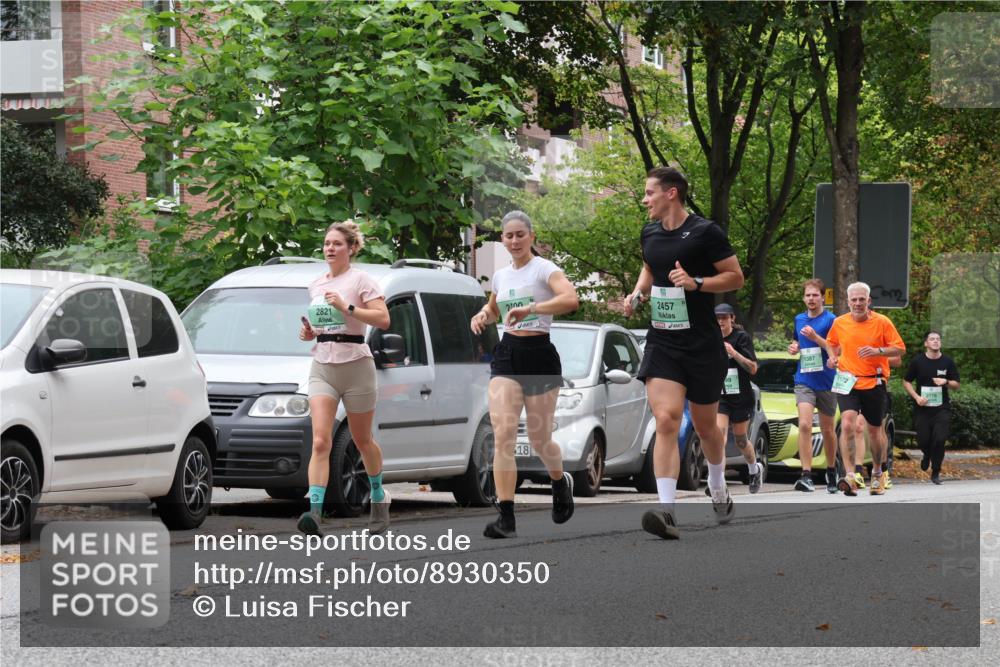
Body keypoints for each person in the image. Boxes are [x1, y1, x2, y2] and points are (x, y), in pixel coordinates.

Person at [624, 167, 745, 539]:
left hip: (702, 344)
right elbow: (649, 267)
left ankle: (718, 485)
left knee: (707, 427)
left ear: (671, 193)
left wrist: (697, 283)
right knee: (666, 419)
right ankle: (667, 511)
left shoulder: (705, 232)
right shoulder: (649, 232)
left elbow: (735, 277)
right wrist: (638, 293)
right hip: (663, 341)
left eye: (649, 193)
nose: (644, 200)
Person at [470, 210, 580, 538]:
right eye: (508, 236)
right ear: (502, 240)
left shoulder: (544, 269)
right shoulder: (501, 276)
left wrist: (531, 309)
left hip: (540, 356)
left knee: (539, 438)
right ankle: (506, 516)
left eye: (520, 235)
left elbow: (571, 299)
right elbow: (494, 309)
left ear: (531, 236)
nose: (515, 241)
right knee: (503, 434)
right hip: (507, 355)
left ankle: (560, 483)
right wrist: (482, 315)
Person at [297, 221, 391, 536]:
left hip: (356, 364)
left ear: (351, 248)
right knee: (321, 440)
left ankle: (378, 496)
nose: (330, 248)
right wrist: (309, 332)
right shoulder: (315, 285)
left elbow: (383, 318)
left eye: (337, 243)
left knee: (362, 440)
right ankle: (314, 513)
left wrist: (348, 306)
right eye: (326, 243)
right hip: (323, 363)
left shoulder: (361, 280)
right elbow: (320, 325)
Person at [825, 282, 905, 496]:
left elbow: (900, 348)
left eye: (862, 299)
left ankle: (878, 472)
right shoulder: (840, 323)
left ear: (869, 301)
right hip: (847, 381)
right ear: (848, 301)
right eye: (854, 300)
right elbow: (831, 343)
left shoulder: (882, 322)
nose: (858, 303)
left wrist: (877, 350)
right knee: (848, 424)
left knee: (874, 430)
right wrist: (833, 358)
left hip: (874, 381)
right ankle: (850, 475)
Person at [786, 279, 839, 493]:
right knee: (805, 425)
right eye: (808, 295)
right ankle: (806, 475)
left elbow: (835, 349)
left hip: (826, 380)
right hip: (804, 379)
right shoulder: (798, 319)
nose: (811, 299)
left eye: (815, 295)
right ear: (803, 298)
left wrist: (816, 337)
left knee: (827, 430)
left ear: (822, 297)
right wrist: (794, 347)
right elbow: (797, 342)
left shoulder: (831, 320)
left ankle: (832, 469)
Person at [713, 303, 762, 493]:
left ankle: (754, 469)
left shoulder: (741, 338)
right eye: (717, 319)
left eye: (724, 318)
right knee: (720, 438)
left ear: (732, 319)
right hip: (721, 396)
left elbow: (753, 368)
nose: (720, 323)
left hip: (741, 396)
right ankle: (718, 482)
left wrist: (734, 353)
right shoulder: (711, 338)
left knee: (741, 440)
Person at [903, 331, 960, 485]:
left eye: (938, 339)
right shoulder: (918, 362)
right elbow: (906, 381)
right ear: (926, 343)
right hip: (923, 408)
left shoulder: (947, 362)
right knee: (923, 440)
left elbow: (957, 384)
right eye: (932, 339)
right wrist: (916, 397)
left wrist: (945, 382)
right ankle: (926, 454)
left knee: (940, 439)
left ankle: (936, 472)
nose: (935, 341)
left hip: (942, 408)